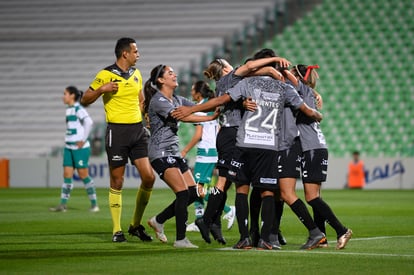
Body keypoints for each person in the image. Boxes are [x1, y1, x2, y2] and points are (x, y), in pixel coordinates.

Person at [173, 67, 322, 250]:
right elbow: (307, 110)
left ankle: (244, 238)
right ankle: (266, 239)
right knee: (267, 192)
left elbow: (221, 100)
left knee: (241, 190)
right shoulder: (285, 88)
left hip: (245, 143)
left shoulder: (247, 83)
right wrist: (317, 114)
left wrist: (192, 109)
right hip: (269, 146)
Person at [81, 37, 155, 242]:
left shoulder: (136, 74)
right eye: (135, 51)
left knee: (149, 177)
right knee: (117, 180)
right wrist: (101, 90)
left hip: (137, 131)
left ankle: (135, 224)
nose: (138, 55)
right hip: (117, 132)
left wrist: (145, 111)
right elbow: (84, 99)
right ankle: (116, 230)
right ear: (125, 54)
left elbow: (140, 99)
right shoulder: (105, 75)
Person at [144, 65, 218, 248]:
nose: (175, 75)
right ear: (161, 80)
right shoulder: (159, 100)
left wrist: (221, 102)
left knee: (193, 193)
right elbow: (182, 117)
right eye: (170, 73)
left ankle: (158, 220)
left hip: (174, 153)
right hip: (160, 153)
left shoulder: (177, 98)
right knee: (183, 193)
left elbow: (199, 108)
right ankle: (180, 239)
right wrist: (209, 118)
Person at [291, 64, 353, 249]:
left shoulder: (301, 90)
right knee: (316, 196)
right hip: (317, 147)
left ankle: (341, 230)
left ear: (299, 78)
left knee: (311, 197)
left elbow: (292, 79)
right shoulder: (309, 92)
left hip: (311, 148)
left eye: (293, 75)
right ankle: (322, 238)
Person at [181, 81, 236, 234]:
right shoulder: (211, 105)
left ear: (198, 92)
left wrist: (185, 150)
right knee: (198, 187)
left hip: (206, 152)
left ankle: (228, 209)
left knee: (197, 188)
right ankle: (199, 219)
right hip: (214, 149)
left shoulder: (201, 109)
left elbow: (198, 134)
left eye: (193, 90)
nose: (191, 93)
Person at [49, 86, 99, 213]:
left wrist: (83, 139)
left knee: (83, 175)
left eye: (65, 93)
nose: (63, 96)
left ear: (72, 95)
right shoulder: (69, 109)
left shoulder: (78, 109)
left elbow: (89, 122)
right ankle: (63, 204)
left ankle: (94, 204)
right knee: (66, 175)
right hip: (69, 146)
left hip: (79, 148)